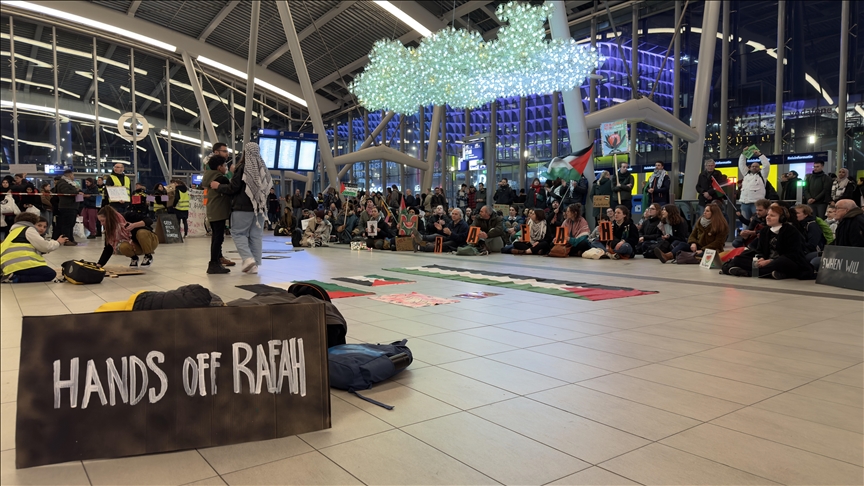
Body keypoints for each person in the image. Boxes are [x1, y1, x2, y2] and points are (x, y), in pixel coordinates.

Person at [211, 142, 273, 274]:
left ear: (245, 152)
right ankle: (254, 265)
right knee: (256, 236)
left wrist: (218, 186)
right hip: (260, 209)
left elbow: (233, 188)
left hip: (242, 208)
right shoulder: (263, 169)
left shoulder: (243, 167)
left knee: (238, 233)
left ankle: (248, 259)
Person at [724, 204, 814, 280]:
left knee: (781, 262)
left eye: (772, 216)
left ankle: (748, 272)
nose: (768, 217)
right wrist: (761, 258)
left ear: (781, 218)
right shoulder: (765, 231)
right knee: (739, 259)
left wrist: (769, 261)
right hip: (767, 261)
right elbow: (760, 250)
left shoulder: (791, 231)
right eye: (768, 215)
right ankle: (773, 273)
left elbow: (793, 254)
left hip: (785, 261)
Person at [0, 212, 66, 283]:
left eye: (44, 227)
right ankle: (15, 278)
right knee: (50, 274)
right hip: (21, 265)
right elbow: (45, 246)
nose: (42, 228)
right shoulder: (28, 229)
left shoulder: (14, 232)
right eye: (39, 225)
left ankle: (11, 275)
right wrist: (58, 242)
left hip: (8, 267)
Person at [203, 155, 234, 274]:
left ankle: (215, 262)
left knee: (216, 237)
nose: (226, 167)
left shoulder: (208, 176)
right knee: (218, 238)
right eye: (224, 165)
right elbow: (231, 188)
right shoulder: (221, 178)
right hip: (219, 211)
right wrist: (232, 173)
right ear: (219, 167)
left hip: (213, 210)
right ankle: (213, 263)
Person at [738, 150, 770, 219]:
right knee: (745, 221)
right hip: (744, 202)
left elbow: (766, 165)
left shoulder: (762, 175)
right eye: (753, 166)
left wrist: (760, 155)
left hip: (756, 203)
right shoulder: (746, 174)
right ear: (750, 167)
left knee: (757, 221)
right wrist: (743, 154)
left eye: (756, 166)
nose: (754, 167)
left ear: (759, 168)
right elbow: (741, 164)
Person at [54, 169, 79, 247]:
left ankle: (71, 238)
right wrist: (77, 192)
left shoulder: (70, 183)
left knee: (71, 224)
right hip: (67, 206)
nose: (73, 177)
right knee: (67, 224)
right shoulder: (63, 183)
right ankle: (66, 240)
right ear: (70, 175)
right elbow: (66, 192)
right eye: (73, 175)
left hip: (72, 206)